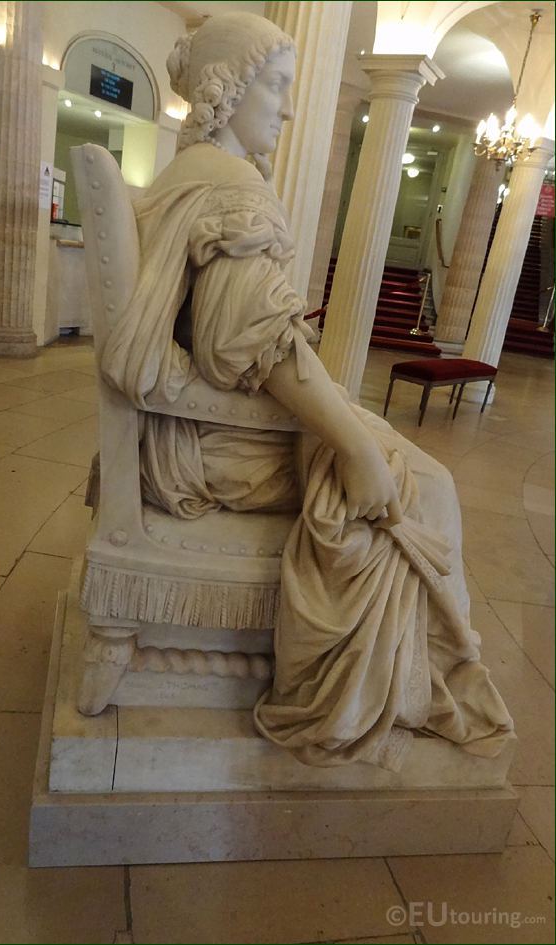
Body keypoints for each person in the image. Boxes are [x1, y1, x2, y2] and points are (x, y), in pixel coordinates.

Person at [100, 12, 514, 770]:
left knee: (402, 461)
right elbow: (244, 343)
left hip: (194, 424)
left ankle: (425, 661)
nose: (288, 108)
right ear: (231, 90)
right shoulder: (232, 196)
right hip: (205, 442)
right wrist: (353, 443)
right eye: (278, 87)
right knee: (422, 481)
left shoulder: (199, 178)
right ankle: (382, 686)